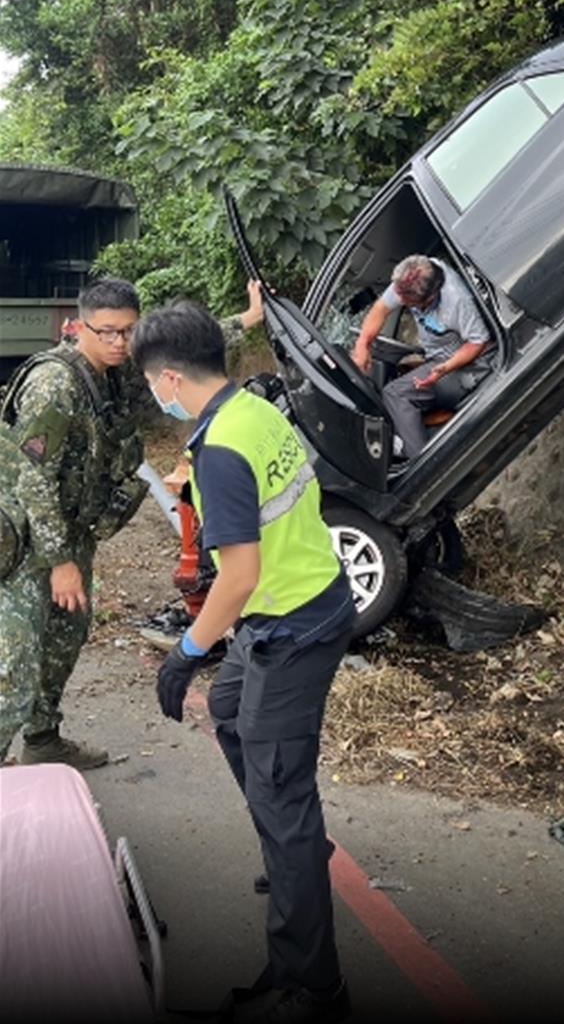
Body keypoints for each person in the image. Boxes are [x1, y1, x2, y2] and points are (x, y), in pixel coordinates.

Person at [131, 301, 355, 1024]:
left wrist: (187, 654)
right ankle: (292, 846)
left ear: (168, 378)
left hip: (291, 623)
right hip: (293, 608)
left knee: (283, 789)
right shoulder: (249, 409)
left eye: (150, 384)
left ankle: (311, 986)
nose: (152, 397)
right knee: (230, 714)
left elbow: (239, 577)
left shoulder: (223, 448)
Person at [0, 276, 263, 771]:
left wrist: (248, 319)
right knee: (14, 667)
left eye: (127, 332)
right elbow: (32, 482)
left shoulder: (115, 372)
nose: (119, 343)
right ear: (77, 327)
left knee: (63, 639)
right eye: (107, 332)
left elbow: (183, 350)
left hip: (71, 531)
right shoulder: (55, 386)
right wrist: (60, 563)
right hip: (27, 542)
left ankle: (42, 740)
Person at [351, 253, 492, 458]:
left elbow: (478, 342)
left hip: (464, 364)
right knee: (401, 378)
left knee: (395, 393)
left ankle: (421, 462)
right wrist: (363, 343)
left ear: (430, 297)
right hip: (436, 358)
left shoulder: (457, 301)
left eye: (409, 303)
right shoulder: (410, 277)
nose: (402, 303)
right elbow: (380, 309)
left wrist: (445, 368)